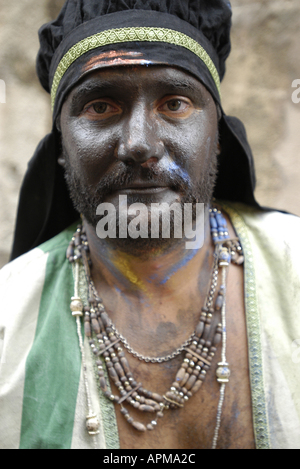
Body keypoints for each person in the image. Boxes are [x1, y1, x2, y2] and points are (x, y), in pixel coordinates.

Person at [0, 0, 299, 450]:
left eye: (174, 103)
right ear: (61, 144)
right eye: (100, 106)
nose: (140, 144)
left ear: (218, 137)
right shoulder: (8, 326)